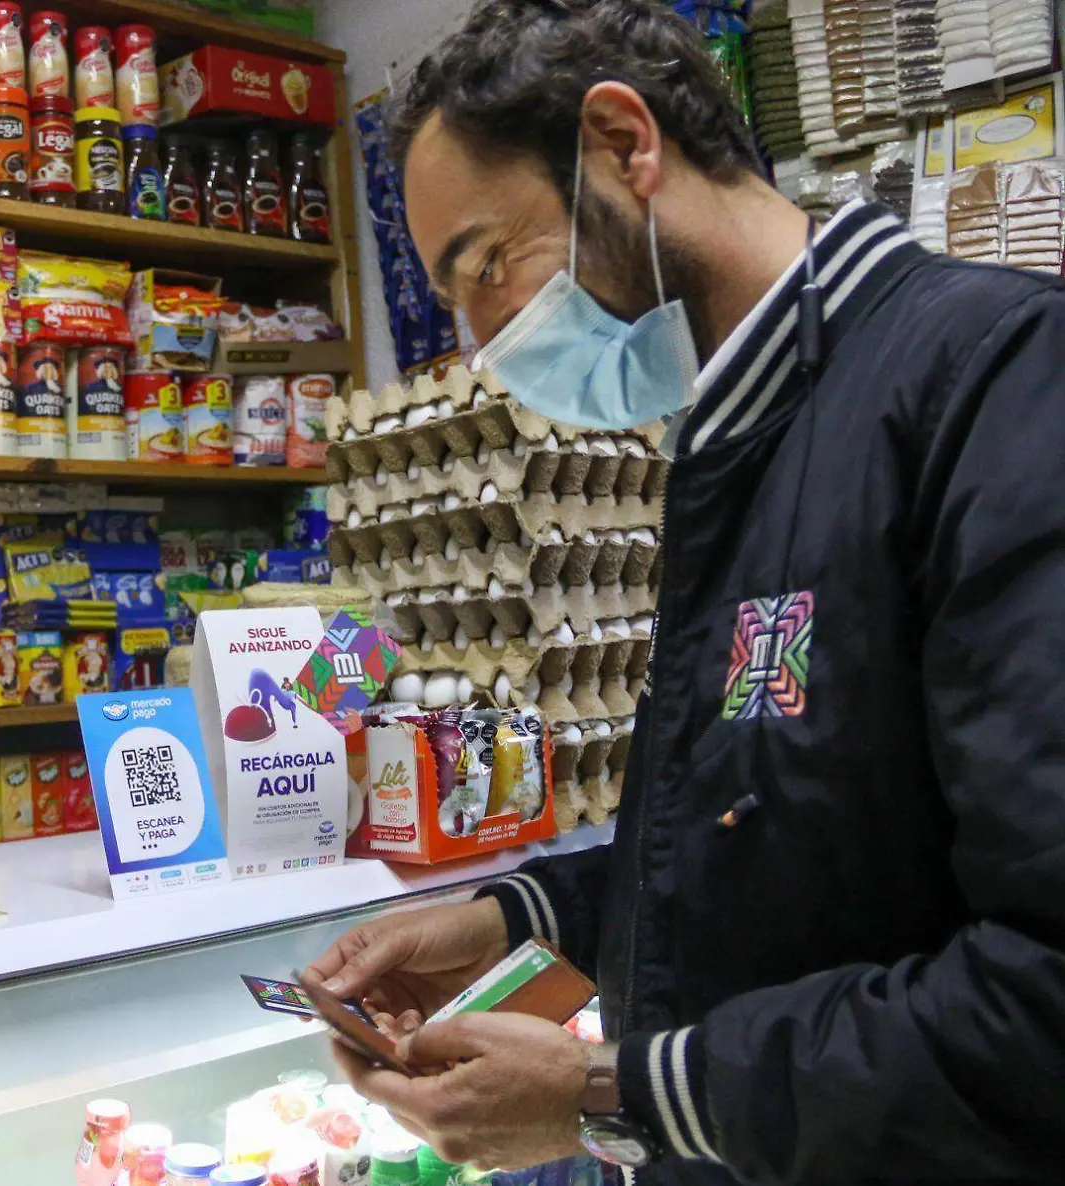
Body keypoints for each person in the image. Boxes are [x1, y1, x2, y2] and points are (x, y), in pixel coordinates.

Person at [308, 1, 1065, 1182]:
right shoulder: (738, 446)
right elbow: (772, 843)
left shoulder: (996, 385)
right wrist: (516, 917)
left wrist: (615, 1094)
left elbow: (1042, 997)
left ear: (624, 144)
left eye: (488, 265)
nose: (484, 341)